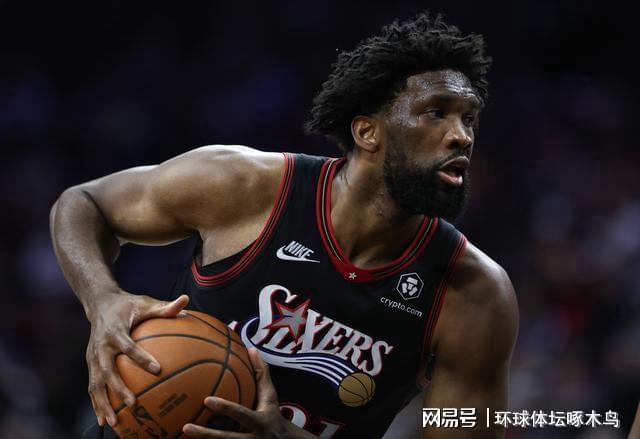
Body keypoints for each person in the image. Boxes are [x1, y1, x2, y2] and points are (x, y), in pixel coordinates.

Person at [50, 12, 518, 439]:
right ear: (367, 132)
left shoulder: (475, 296)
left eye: (469, 118)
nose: (462, 136)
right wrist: (103, 301)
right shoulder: (245, 184)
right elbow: (83, 203)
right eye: (436, 112)